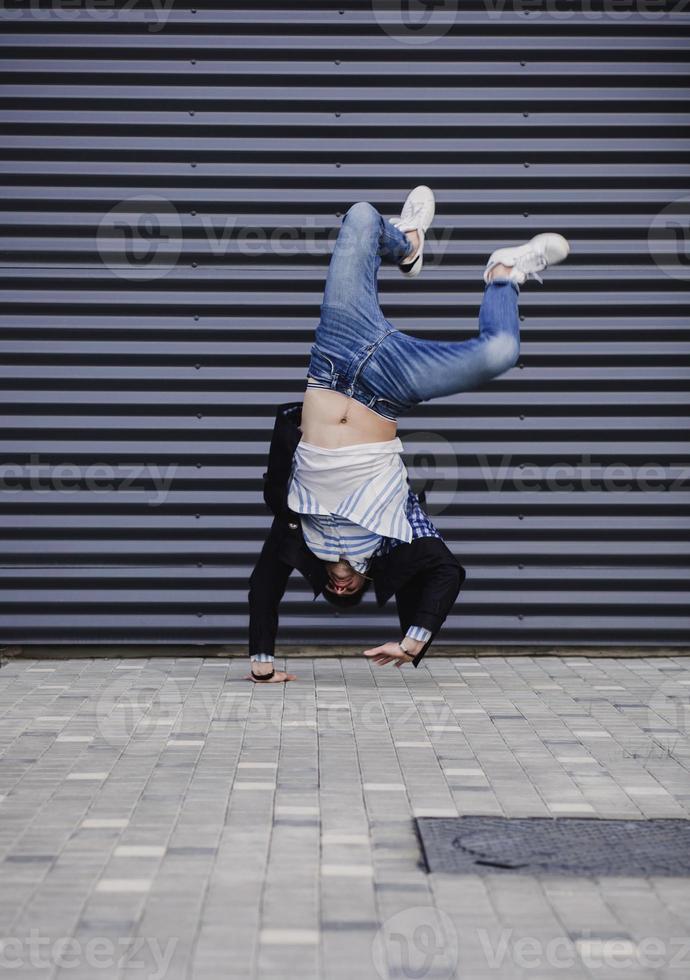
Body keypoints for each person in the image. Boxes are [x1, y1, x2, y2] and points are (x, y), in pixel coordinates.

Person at [247, 187, 570, 682]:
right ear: (366, 581)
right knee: (500, 353)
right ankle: (504, 274)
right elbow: (447, 572)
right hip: (391, 387)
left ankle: (408, 241)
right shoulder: (396, 537)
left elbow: (263, 589)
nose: (340, 586)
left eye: (334, 590)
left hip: (333, 357)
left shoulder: (295, 535)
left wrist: (262, 668)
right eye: (349, 592)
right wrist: (413, 641)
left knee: (360, 215)